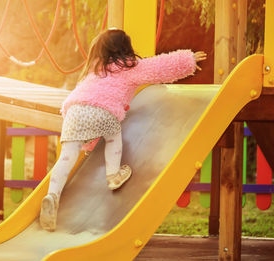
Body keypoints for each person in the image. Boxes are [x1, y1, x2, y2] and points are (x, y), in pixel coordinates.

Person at [39, 28, 207, 231]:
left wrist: (89, 141)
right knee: (113, 137)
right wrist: (188, 60)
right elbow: (159, 66)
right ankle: (113, 175)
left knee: (66, 156)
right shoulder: (128, 67)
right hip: (103, 111)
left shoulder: (94, 68)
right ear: (125, 48)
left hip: (74, 113)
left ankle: (53, 195)